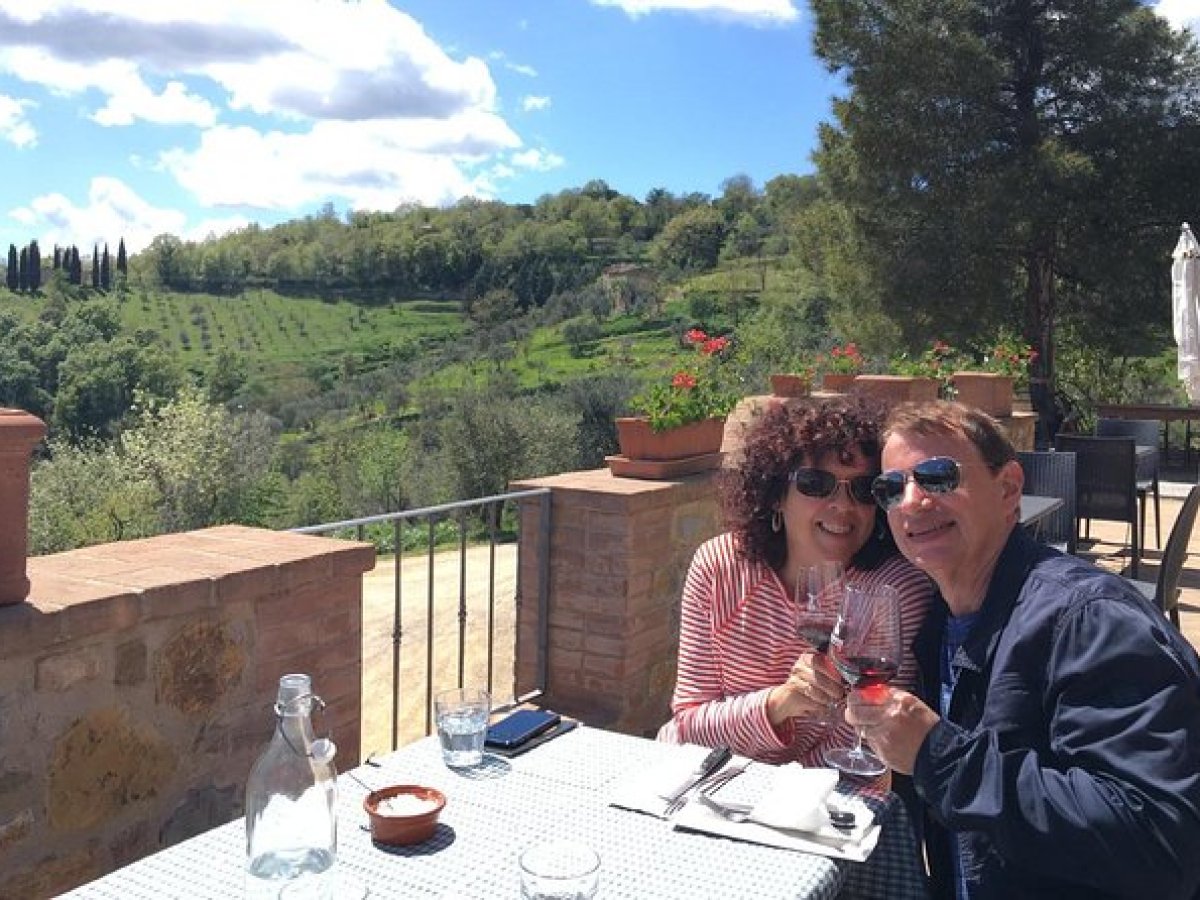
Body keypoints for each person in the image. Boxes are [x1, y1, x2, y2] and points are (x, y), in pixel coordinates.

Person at [848, 400, 1200, 899]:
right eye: (890, 488)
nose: (910, 501)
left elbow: (1159, 842)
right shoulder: (938, 624)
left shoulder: (1090, 621)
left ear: (1009, 487)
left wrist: (938, 756)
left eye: (937, 477)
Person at [658, 395, 933, 766]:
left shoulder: (892, 592)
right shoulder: (719, 565)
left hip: (811, 800)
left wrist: (781, 801)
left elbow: (863, 746)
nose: (844, 505)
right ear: (775, 495)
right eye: (816, 483)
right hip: (700, 772)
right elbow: (689, 723)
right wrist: (780, 703)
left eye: (863, 488)